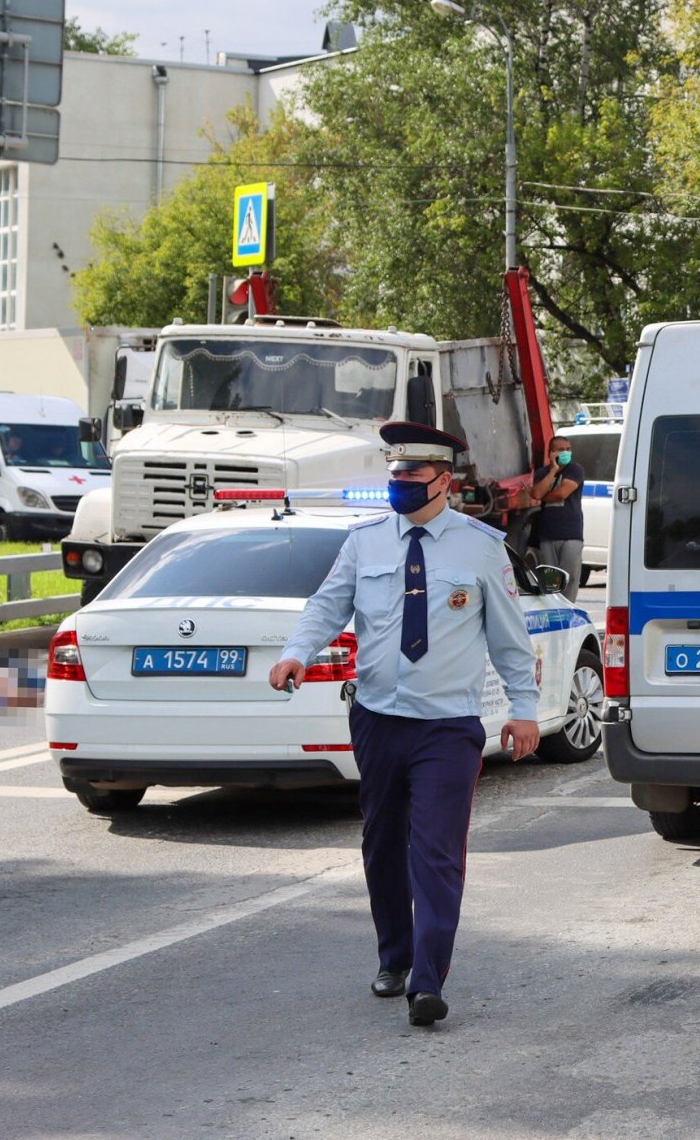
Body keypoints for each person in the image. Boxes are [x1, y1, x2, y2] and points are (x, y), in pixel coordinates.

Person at [268, 422, 540, 1028]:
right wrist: (297, 651)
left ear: (444, 481)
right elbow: (327, 605)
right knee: (383, 843)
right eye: (393, 475)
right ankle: (393, 956)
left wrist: (523, 710)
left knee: (437, 852)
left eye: (412, 476)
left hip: (446, 727)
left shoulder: (481, 546)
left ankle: (427, 978)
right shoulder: (364, 542)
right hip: (378, 721)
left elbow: (511, 641)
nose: (400, 485)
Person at [528, 434, 585, 600]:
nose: (566, 453)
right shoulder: (543, 473)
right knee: (551, 580)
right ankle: (554, 610)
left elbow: (561, 493)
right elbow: (537, 491)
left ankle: (568, 611)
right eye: (561, 450)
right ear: (551, 453)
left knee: (570, 577)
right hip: (548, 534)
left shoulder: (575, 470)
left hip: (571, 534)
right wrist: (553, 470)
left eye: (568, 449)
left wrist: (543, 496)